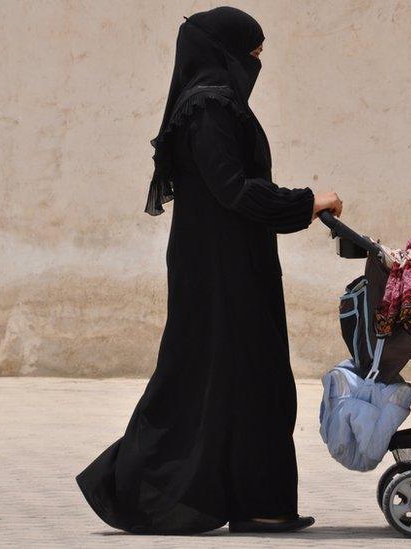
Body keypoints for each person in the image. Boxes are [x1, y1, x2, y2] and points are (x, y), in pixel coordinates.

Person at [77, 7, 342, 534]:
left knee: (247, 382)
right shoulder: (209, 107)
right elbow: (234, 190)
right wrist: (308, 200)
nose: (258, 61)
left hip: (233, 264)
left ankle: (260, 504)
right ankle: (130, 488)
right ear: (224, 52)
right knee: (209, 380)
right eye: (253, 51)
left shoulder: (212, 104)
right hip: (219, 274)